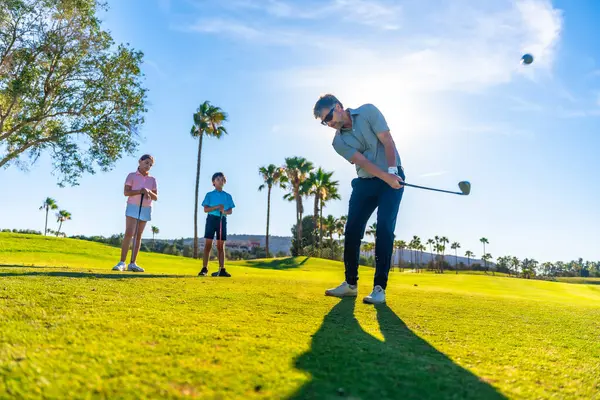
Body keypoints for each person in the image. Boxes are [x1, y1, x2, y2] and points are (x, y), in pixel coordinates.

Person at [313, 94, 405, 304]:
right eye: (323, 122)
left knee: (384, 228)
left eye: (327, 118)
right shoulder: (338, 142)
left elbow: (388, 141)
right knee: (353, 229)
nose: (328, 124)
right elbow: (362, 161)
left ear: (338, 107)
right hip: (366, 181)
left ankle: (379, 288)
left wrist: (392, 173)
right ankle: (350, 284)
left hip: (393, 176)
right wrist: (385, 177)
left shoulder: (368, 111)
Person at [112, 154, 158, 272]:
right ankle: (122, 262)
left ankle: (133, 263)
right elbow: (126, 192)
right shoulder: (131, 176)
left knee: (138, 235)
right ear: (140, 161)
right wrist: (139, 191)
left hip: (146, 207)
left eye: (150, 165)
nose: (148, 166)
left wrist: (148, 191)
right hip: (132, 206)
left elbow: (156, 197)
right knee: (129, 233)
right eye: (146, 163)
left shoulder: (152, 180)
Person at [199, 172, 235, 277]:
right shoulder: (209, 195)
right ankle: (204, 268)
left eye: (222, 179)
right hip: (211, 219)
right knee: (208, 244)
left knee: (220, 245)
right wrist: (216, 207)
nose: (220, 181)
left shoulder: (228, 196)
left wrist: (223, 211)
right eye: (217, 179)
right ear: (213, 182)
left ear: (224, 181)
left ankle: (222, 269)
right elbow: (205, 209)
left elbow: (230, 211)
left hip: (222, 219)